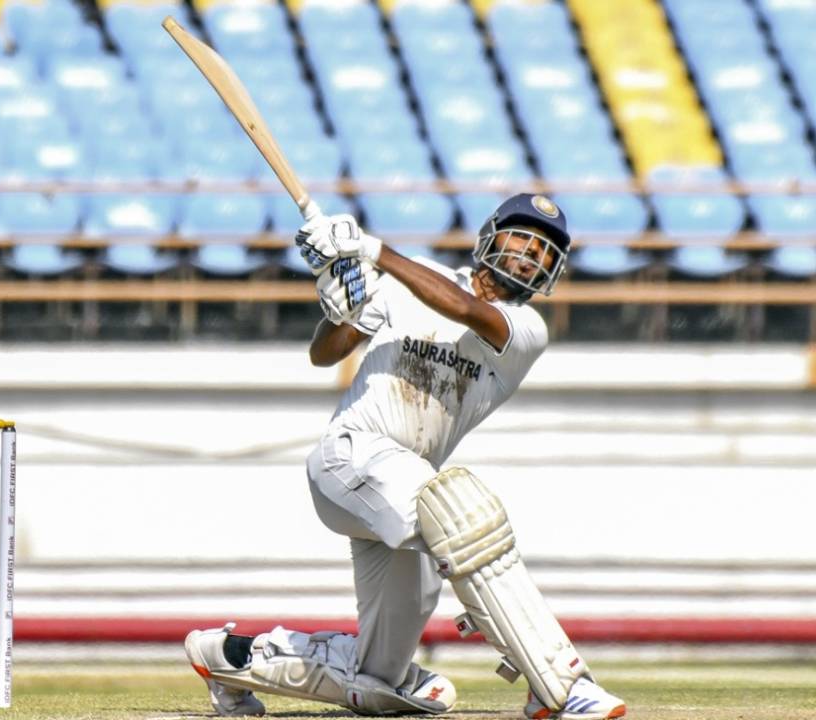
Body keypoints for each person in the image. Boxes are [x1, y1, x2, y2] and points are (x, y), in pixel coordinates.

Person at [184, 194, 626, 720]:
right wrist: (339, 310)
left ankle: (227, 658)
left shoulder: (527, 329)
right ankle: (560, 684)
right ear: (489, 236)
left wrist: (372, 250)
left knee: (379, 681)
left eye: (546, 251)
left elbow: (462, 309)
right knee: (463, 514)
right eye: (523, 238)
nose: (531, 255)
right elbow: (324, 353)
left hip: (409, 491)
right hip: (353, 454)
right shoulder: (408, 281)